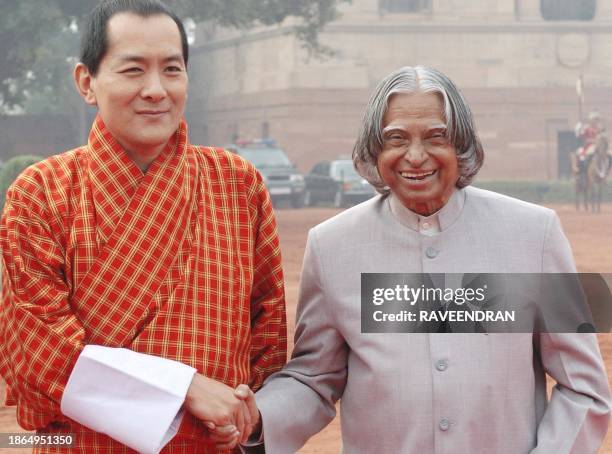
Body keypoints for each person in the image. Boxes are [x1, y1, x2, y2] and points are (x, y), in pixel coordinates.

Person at [240, 66, 611, 453]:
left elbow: (583, 388)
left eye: (437, 137)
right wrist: (258, 418)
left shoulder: (534, 234)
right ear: (375, 150)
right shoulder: (332, 245)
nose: (415, 157)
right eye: (395, 139)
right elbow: (314, 378)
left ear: (462, 145)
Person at [0, 1, 286, 452]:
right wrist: (186, 389)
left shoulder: (238, 183)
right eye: (133, 70)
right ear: (86, 82)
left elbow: (267, 331)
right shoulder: (40, 193)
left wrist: (251, 415)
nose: (156, 89)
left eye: (172, 69)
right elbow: (41, 354)